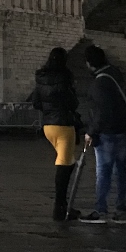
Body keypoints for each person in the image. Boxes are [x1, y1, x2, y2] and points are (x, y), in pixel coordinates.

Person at [81, 45, 126, 224]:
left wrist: (90, 132)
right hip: (125, 130)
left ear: (90, 64)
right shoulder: (116, 76)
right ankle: (121, 210)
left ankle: (101, 210)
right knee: (121, 170)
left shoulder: (99, 83)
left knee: (103, 171)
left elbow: (101, 113)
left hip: (107, 133)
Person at [29, 47, 82, 221]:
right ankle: (60, 209)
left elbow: (36, 102)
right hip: (64, 125)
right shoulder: (65, 77)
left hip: (48, 126)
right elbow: (72, 102)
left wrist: (48, 108)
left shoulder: (41, 78)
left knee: (66, 162)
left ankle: (62, 205)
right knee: (64, 166)